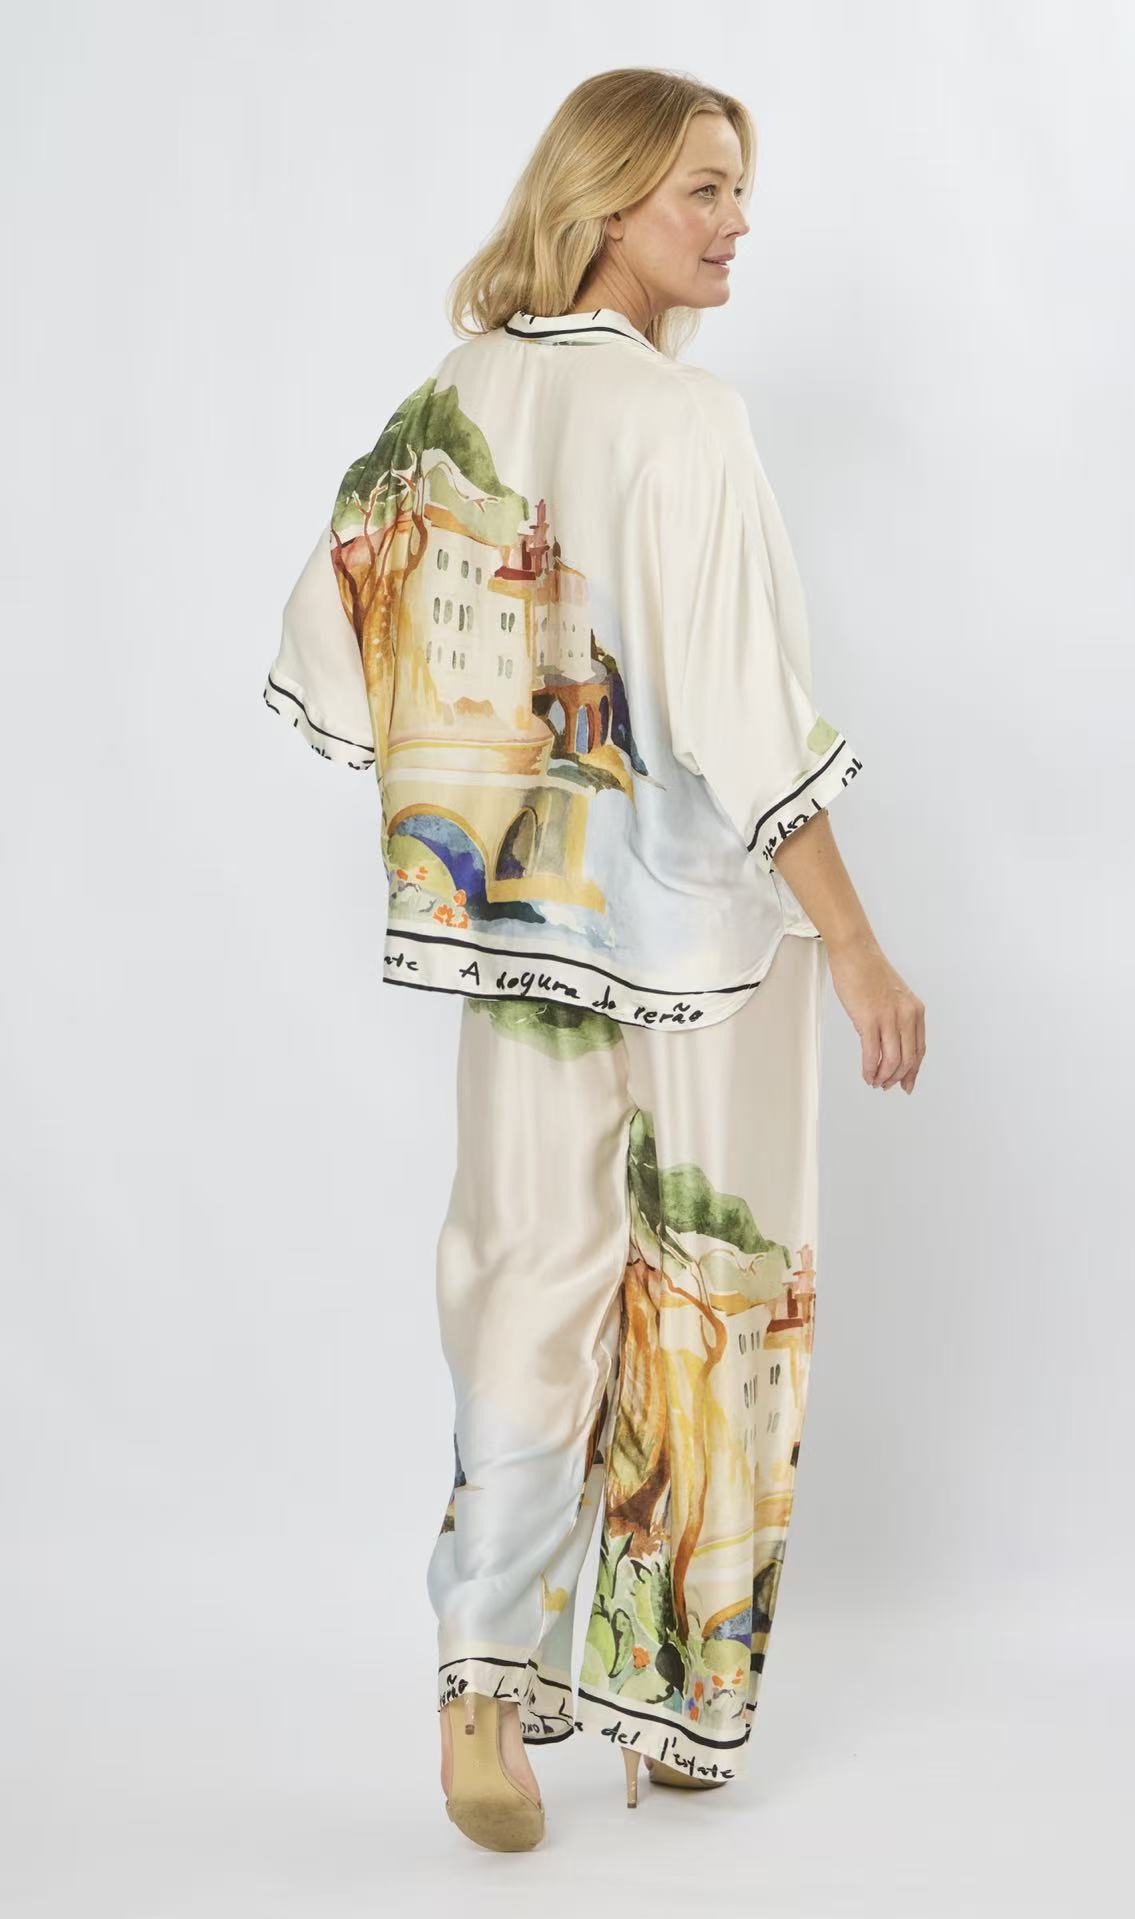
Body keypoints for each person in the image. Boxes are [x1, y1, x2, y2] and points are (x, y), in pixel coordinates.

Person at [263, 67, 925, 1853]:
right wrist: (858, 944)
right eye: (702, 187)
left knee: (524, 1277)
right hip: (707, 939)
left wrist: (466, 792)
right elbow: (739, 714)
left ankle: (481, 1695)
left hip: (525, 945)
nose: (735, 223)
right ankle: (670, 1695)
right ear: (607, 196)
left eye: (738, 189)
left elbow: (333, 627)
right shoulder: (686, 422)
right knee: (721, 1282)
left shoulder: (455, 394)